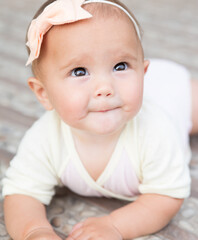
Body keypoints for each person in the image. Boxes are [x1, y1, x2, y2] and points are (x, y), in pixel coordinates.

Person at [2, 0, 198, 239]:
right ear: (44, 94)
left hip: (172, 96)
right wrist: (34, 231)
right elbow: (21, 193)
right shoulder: (45, 138)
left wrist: (115, 225)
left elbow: (167, 196)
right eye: (79, 71)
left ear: (143, 75)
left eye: (120, 65)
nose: (105, 88)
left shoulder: (155, 130)